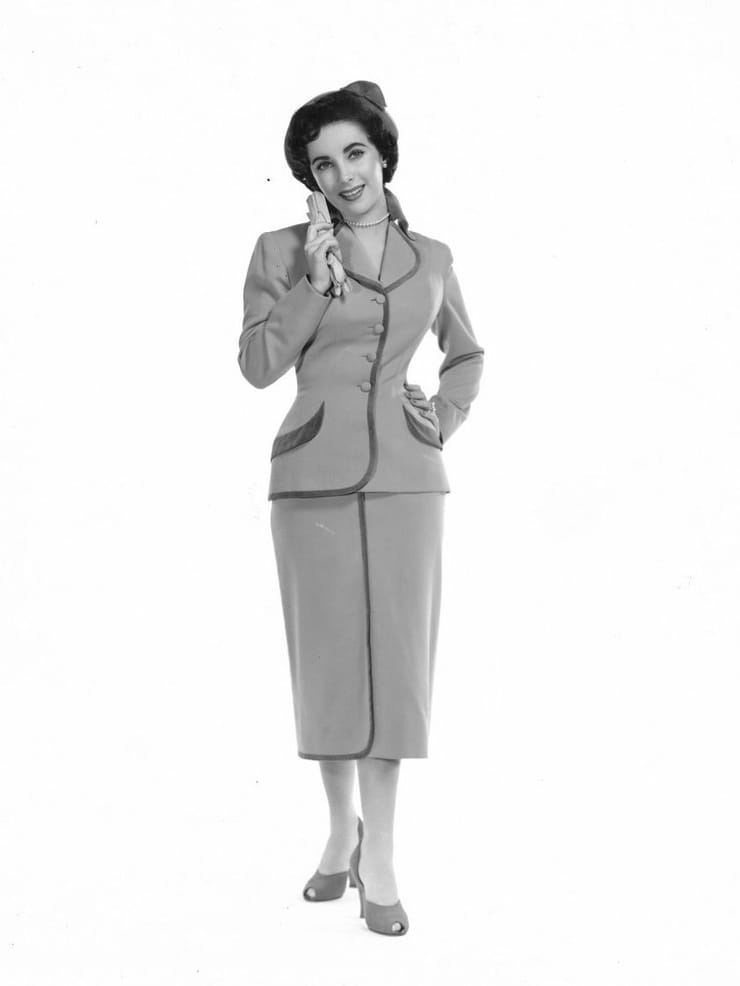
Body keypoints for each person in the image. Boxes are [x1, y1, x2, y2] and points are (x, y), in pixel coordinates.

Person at [237, 80, 484, 936]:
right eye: (322, 164)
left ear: (382, 154)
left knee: (397, 673)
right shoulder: (279, 250)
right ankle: (341, 830)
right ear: (308, 177)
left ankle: (382, 855)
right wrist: (313, 280)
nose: (344, 174)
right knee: (330, 667)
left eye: (355, 153)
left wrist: (440, 420)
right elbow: (259, 365)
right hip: (311, 480)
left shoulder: (434, 257)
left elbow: (467, 353)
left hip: (409, 483)